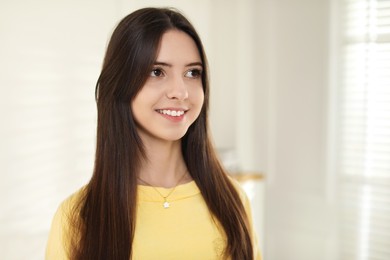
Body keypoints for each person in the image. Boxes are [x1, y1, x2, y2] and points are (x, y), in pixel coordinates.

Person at [45, 7, 261, 260]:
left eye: (192, 73)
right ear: (120, 85)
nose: (180, 92)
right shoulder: (78, 216)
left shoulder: (232, 200)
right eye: (157, 72)